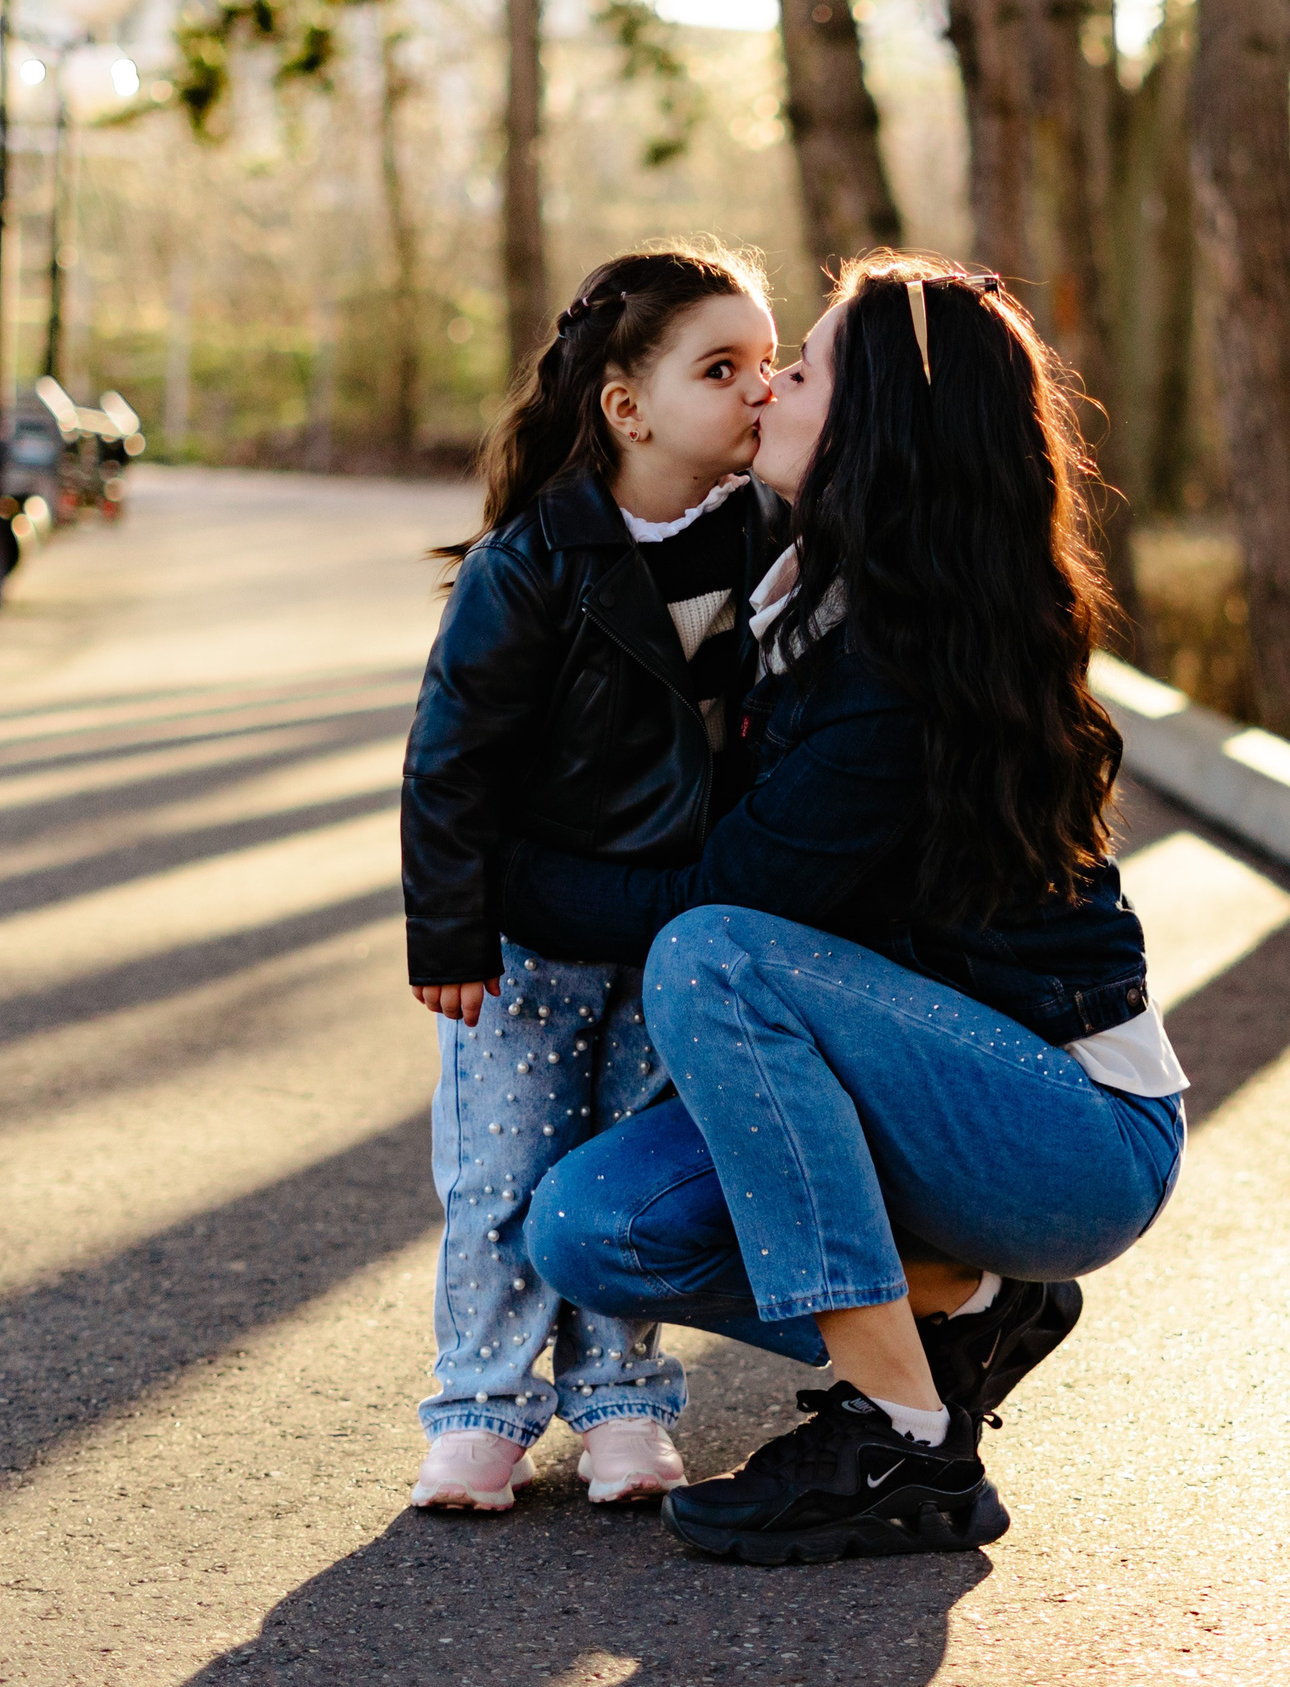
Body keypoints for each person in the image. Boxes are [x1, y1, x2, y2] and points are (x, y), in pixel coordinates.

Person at [498, 254, 1189, 1563]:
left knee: (713, 953)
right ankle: (973, 1298)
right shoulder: (814, 587)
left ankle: (906, 1441)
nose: (768, 383)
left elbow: (719, 904)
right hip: (936, 1101)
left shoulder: (901, 666)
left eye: (800, 369)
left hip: (1074, 1129)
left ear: (870, 425)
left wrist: (503, 877)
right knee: (593, 1225)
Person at [398, 244, 785, 1511]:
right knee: (504, 1174)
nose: (757, 391)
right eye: (720, 368)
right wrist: (450, 932)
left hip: (672, 938)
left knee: (624, 1168)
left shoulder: (769, 537)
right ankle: (481, 1409)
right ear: (627, 407)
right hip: (522, 941)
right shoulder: (536, 563)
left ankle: (619, 1402)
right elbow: (450, 762)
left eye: (769, 366)